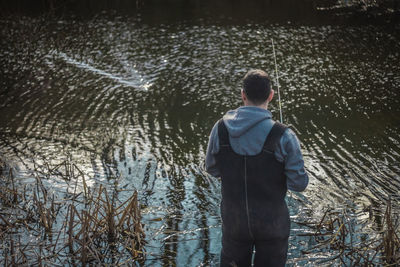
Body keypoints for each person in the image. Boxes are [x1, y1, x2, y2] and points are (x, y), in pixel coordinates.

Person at [205, 69, 309, 267]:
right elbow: (299, 184)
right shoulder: (284, 135)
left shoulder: (220, 129)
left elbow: (211, 168)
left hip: (234, 223)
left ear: (243, 94)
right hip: (272, 226)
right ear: (271, 95)